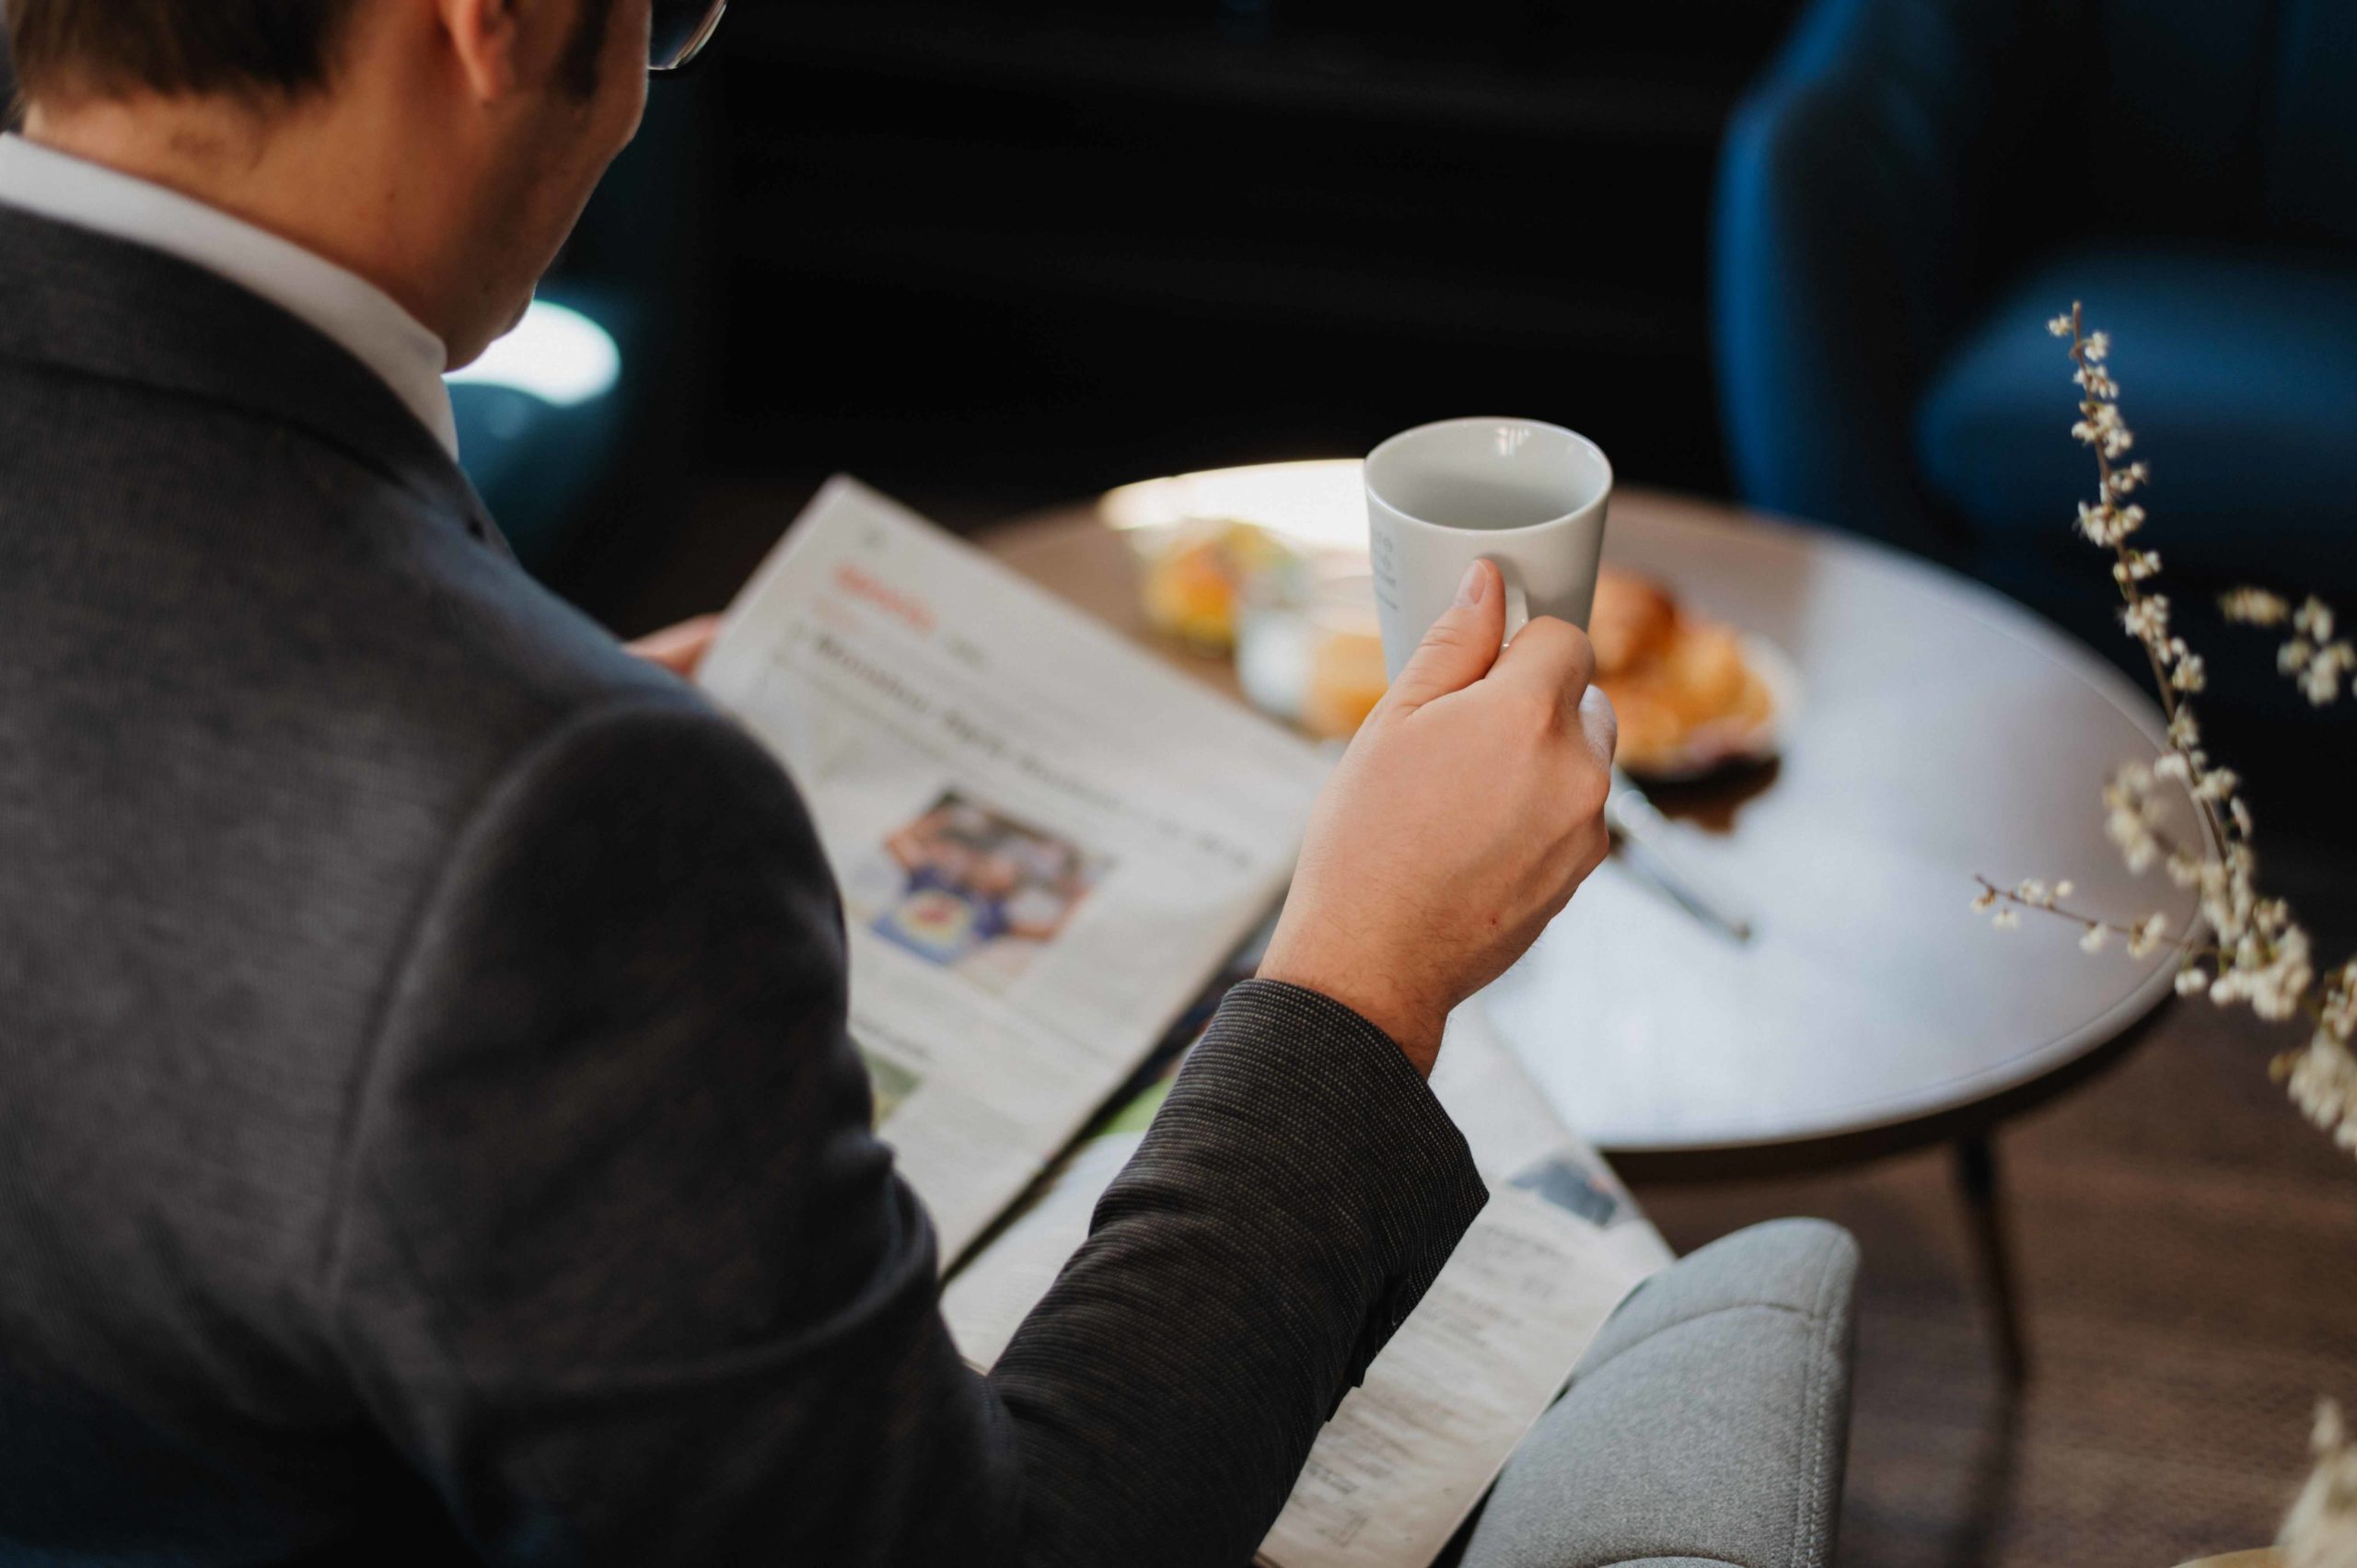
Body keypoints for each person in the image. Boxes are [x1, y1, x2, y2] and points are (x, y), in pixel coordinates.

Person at [0, 1, 1618, 1562]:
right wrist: (1361, 978)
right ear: (490, 13)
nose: (642, 93)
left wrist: (498, 722)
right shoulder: (548, 816)